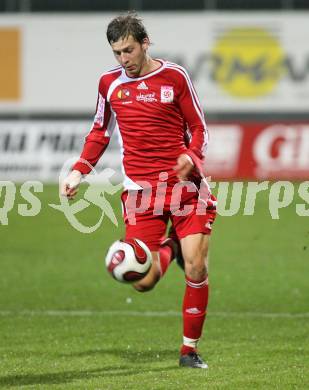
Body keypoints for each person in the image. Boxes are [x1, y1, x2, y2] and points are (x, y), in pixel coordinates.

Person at [61, 12, 216, 369]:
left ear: (145, 44)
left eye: (129, 50)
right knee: (141, 281)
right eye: (117, 52)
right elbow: (99, 132)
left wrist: (192, 157)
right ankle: (172, 243)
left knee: (196, 267)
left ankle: (188, 351)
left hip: (185, 190)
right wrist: (79, 172)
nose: (123, 59)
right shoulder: (109, 84)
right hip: (140, 194)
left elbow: (199, 128)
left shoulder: (174, 77)